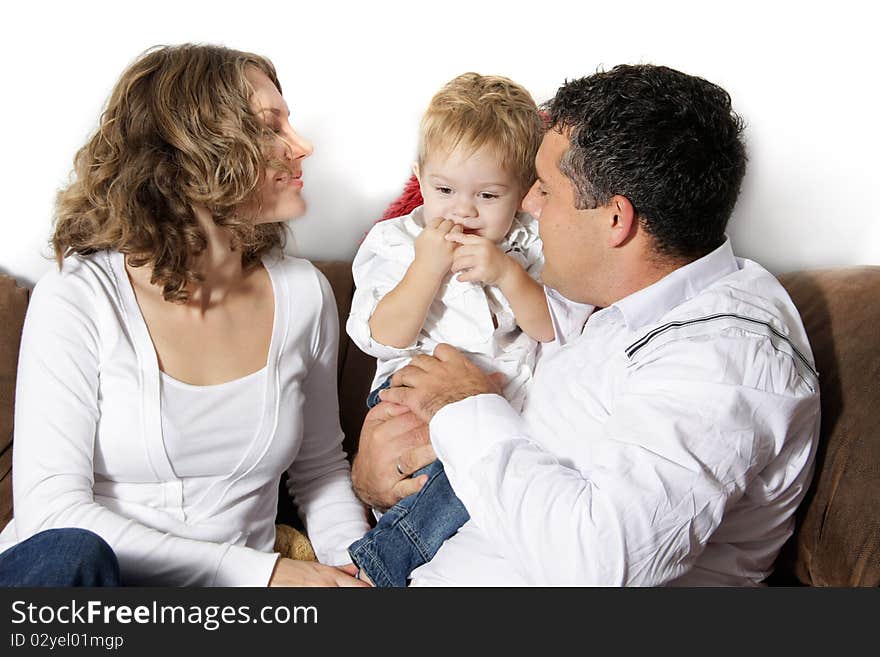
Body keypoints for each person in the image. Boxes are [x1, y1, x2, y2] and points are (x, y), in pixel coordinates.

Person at [351, 64, 822, 586]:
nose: (527, 204)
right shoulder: (614, 303)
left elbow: (599, 566)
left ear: (616, 221)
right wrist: (381, 475)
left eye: (545, 191)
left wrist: (460, 406)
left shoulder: (728, 360)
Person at [0, 44, 370, 587]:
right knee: (72, 554)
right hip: (77, 597)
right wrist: (262, 574)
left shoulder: (304, 295)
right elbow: (49, 514)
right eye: (272, 127)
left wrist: (358, 568)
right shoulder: (78, 297)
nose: (302, 146)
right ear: (195, 151)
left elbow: (319, 472)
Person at [345, 73, 551, 586]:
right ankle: (385, 558)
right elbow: (380, 336)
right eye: (444, 189)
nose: (462, 209)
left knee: (485, 472)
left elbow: (551, 328)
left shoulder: (533, 245)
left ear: (524, 193)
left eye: (487, 194)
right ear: (420, 176)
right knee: (438, 468)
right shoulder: (395, 241)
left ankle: (387, 561)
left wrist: (508, 273)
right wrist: (425, 269)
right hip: (410, 397)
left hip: (502, 407)